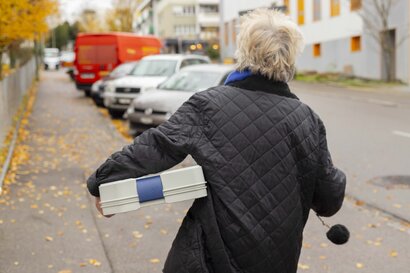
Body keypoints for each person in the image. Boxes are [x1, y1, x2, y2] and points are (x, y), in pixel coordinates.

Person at [87, 8, 346, 273]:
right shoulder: (307, 120)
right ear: (291, 58)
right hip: (276, 261)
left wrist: (102, 180)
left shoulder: (208, 105)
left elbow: (157, 146)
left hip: (207, 260)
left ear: (243, 51)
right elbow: (329, 201)